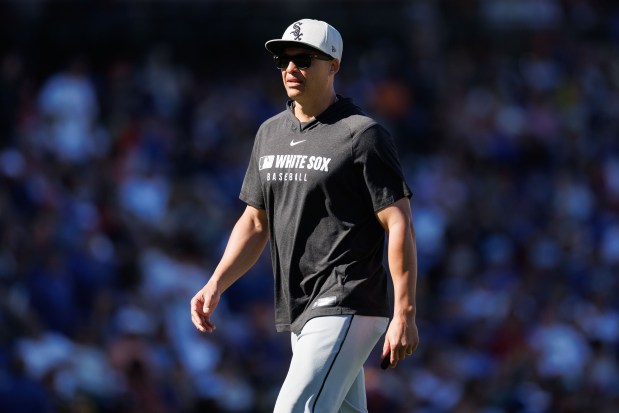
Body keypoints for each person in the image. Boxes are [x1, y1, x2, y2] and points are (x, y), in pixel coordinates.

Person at [191, 18, 419, 413]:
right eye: (283, 59)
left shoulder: (362, 134)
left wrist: (405, 312)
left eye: (303, 59)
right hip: (300, 307)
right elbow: (255, 222)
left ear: (333, 66)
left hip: (349, 297)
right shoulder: (270, 132)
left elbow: (398, 222)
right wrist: (216, 282)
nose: (290, 68)